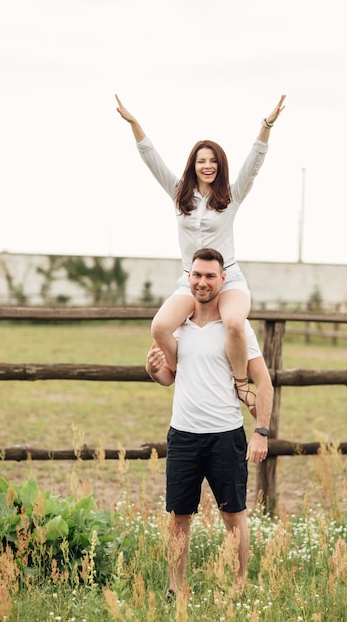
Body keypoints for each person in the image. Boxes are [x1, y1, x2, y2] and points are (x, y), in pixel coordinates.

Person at [116, 92, 285, 417]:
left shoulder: (231, 196)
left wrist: (266, 126)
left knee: (235, 321)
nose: (207, 166)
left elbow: (254, 163)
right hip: (190, 281)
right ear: (193, 165)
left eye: (213, 161)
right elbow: (151, 160)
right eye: (201, 160)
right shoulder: (179, 193)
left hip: (228, 278)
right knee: (160, 327)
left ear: (220, 166)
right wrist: (135, 124)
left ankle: (239, 385)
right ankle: (183, 373)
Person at [145, 248, 274, 600]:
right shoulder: (177, 327)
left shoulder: (238, 329)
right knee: (178, 517)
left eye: (210, 276)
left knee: (233, 516)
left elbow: (264, 383)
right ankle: (177, 588)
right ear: (189, 279)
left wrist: (261, 432)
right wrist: (154, 370)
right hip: (184, 434)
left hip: (225, 436)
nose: (203, 282)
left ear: (222, 280)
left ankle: (238, 586)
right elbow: (169, 377)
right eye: (197, 275)